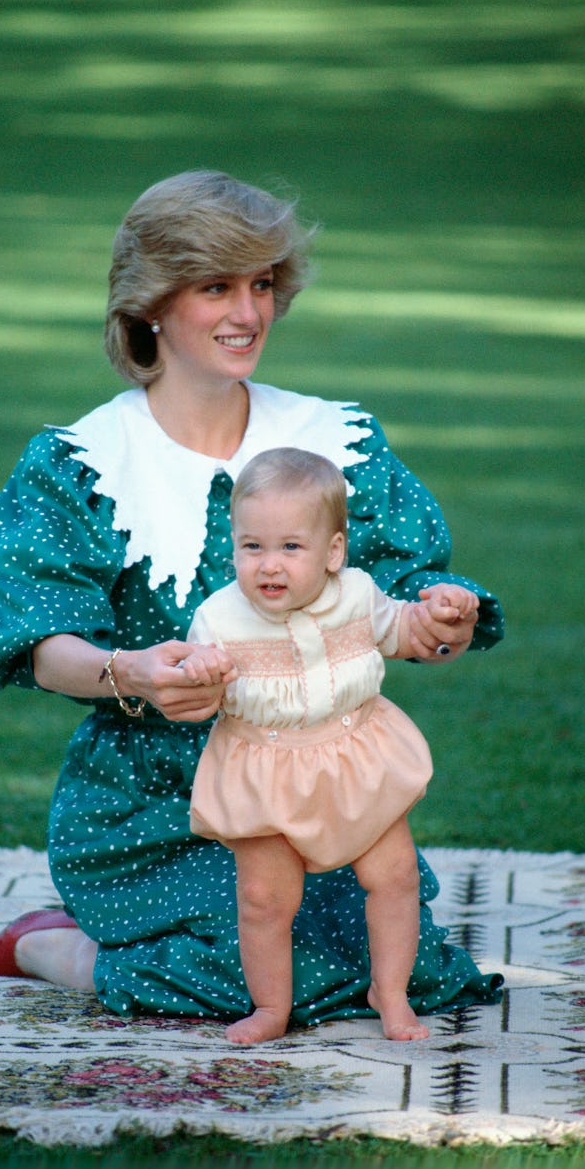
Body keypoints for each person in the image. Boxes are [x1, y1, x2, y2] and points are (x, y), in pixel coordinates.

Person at [0, 169, 505, 1033]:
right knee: (241, 969)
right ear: (150, 305)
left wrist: (444, 619)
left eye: (261, 285)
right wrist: (126, 670)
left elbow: (406, 598)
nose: (249, 312)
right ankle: (49, 945)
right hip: (153, 797)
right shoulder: (80, 464)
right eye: (216, 286)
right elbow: (41, 643)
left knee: (401, 965)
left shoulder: (333, 444)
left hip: (314, 785)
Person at [181, 447, 480, 1044]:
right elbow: (198, 694)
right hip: (264, 766)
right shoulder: (218, 621)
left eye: (291, 547)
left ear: (334, 553)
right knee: (265, 897)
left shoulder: (357, 595)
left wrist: (442, 610)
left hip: (353, 756)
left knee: (393, 877)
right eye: (252, 546)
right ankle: (271, 1007)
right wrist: (201, 674)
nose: (270, 565)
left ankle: (389, 995)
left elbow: (402, 631)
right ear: (233, 545)